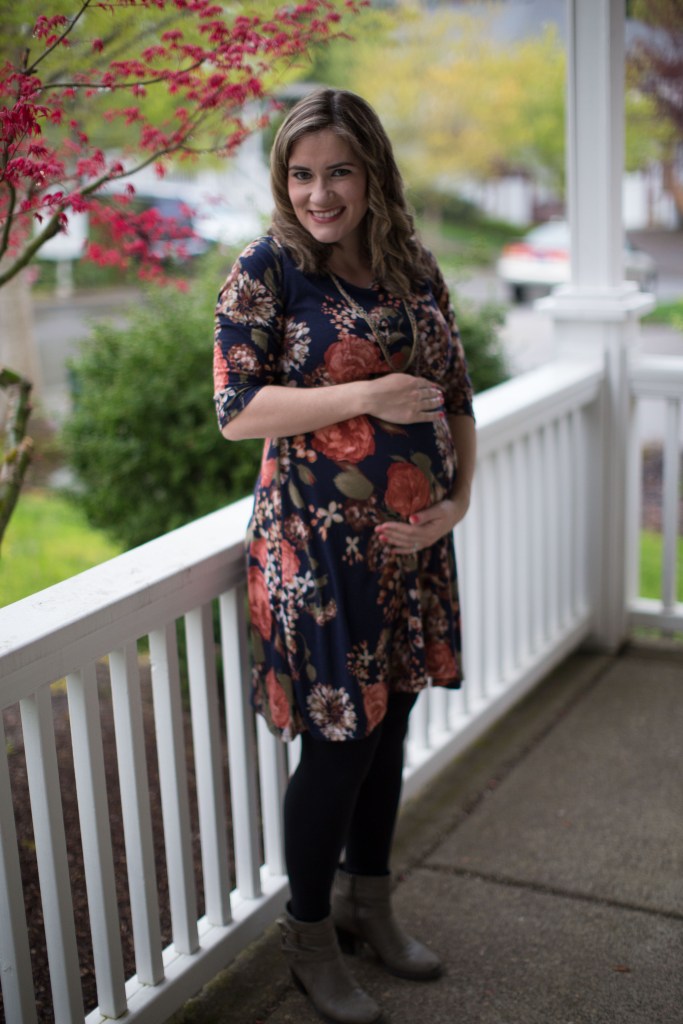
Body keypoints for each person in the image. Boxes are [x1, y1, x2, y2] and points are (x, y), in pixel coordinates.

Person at [213, 88, 476, 1024]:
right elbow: (238, 411)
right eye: (300, 174)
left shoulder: (411, 265)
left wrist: (455, 503)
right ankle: (310, 936)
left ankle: (371, 903)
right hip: (316, 550)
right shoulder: (269, 269)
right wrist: (365, 396)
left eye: (338, 172)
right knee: (337, 743)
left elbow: (455, 396)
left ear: (372, 174)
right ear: (282, 181)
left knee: (391, 725)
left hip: (409, 544)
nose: (319, 193)